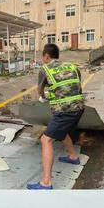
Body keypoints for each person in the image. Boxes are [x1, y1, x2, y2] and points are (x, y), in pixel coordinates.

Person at [28, 44, 85, 190]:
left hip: (64, 111)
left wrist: (43, 97)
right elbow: (75, 86)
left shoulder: (45, 69)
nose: (43, 59)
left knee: (46, 139)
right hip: (79, 107)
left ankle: (46, 182)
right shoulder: (72, 66)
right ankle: (73, 157)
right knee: (61, 131)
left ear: (46, 56)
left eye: (43, 57)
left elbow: (40, 91)